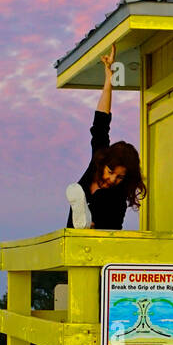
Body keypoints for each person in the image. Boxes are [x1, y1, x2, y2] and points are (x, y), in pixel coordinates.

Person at [65, 44, 146, 230]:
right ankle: (83, 224)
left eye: (119, 177)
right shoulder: (98, 158)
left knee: (101, 208)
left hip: (97, 245)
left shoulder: (118, 197)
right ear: (104, 164)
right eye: (111, 172)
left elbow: (114, 231)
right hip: (71, 239)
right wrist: (108, 81)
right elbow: (101, 122)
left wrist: (95, 231)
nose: (112, 180)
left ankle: (87, 226)